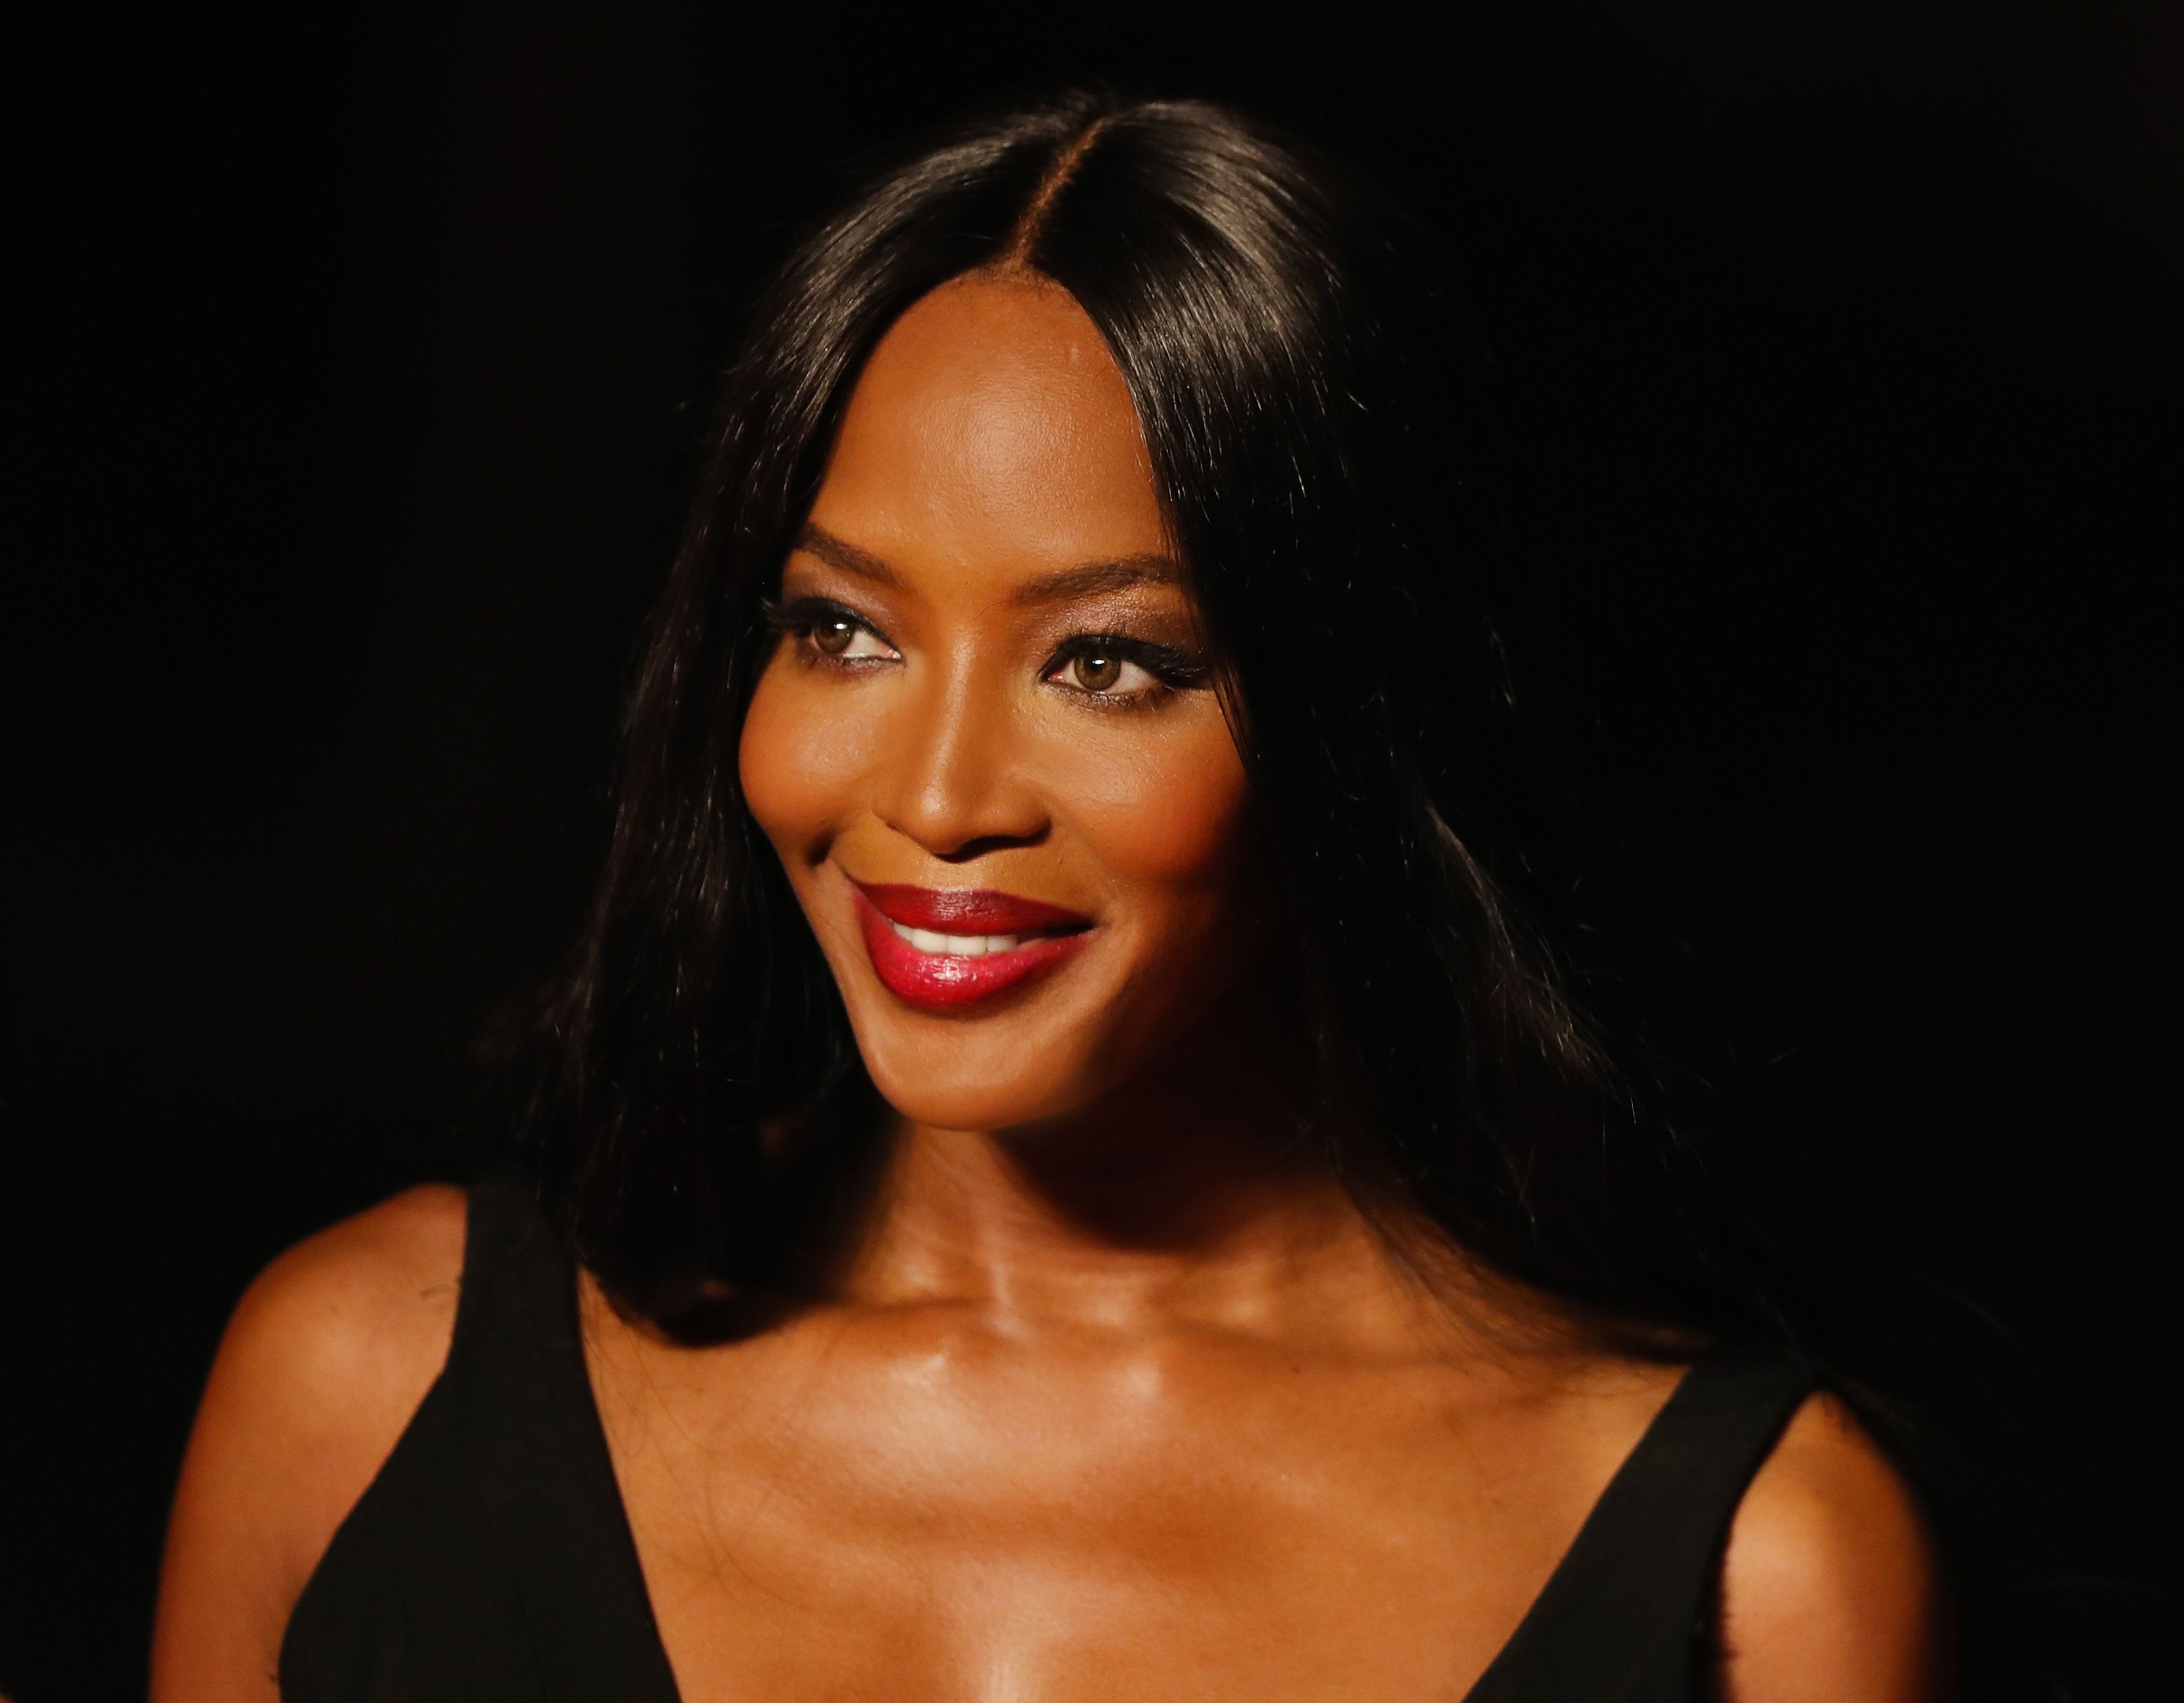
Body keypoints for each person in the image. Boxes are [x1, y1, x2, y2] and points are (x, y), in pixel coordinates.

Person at [152, 93, 1944, 1702]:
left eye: (1106, 663)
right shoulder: (366, 1389)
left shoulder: (1753, 1573)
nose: (932, 797)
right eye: (841, 630)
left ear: (1352, 722)